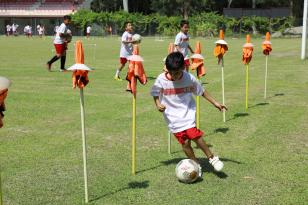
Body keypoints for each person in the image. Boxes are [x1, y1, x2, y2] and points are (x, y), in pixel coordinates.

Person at [151, 52, 227, 174]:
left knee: (195, 135)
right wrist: (158, 104)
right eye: (170, 72)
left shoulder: (189, 78)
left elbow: (201, 91)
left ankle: (212, 158)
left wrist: (215, 103)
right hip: (172, 117)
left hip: (187, 113)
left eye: (176, 73)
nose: (173, 75)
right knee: (185, 143)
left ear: (182, 68)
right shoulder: (161, 79)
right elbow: (155, 93)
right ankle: (195, 164)